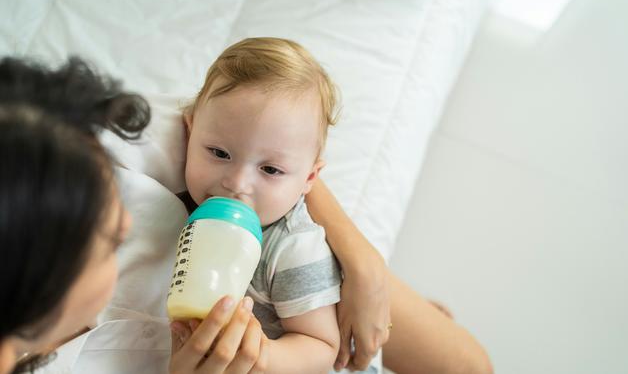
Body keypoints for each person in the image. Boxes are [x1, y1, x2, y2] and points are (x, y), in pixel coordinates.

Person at [0, 56, 492, 374]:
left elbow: (254, 123)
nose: (128, 225)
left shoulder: (71, 139)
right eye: (109, 239)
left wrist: (361, 261)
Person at [0, 57, 268, 374]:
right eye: (112, 241)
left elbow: (261, 115)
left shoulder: (55, 144)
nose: (127, 222)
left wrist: (341, 236)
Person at [176, 37, 356, 372]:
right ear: (190, 130)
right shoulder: (177, 199)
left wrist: (263, 358)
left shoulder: (292, 246)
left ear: (309, 179)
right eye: (219, 153)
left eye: (270, 170)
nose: (237, 184)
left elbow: (321, 346)